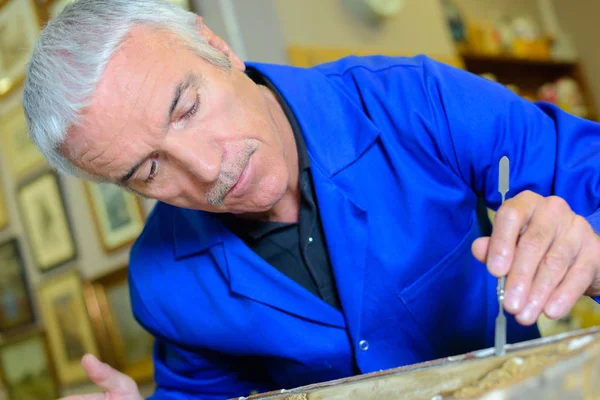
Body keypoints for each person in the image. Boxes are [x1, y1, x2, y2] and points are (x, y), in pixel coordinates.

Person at [23, 1, 600, 399]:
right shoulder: (159, 283)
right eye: (148, 169)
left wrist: (590, 252)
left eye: (186, 108)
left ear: (214, 45)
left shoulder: (415, 99)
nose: (206, 172)